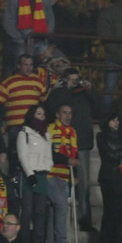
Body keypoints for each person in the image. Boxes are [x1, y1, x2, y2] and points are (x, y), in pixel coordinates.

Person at [46, 66, 96, 231]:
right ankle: (58, 224)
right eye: (72, 80)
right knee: (59, 184)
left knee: (83, 185)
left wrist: (90, 91)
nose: (75, 83)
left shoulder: (84, 94)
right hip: (61, 144)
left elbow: (100, 107)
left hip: (81, 144)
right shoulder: (59, 93)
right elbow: (52, 109)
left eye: (77, 79)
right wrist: (66, 89)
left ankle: (85, 220)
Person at [0, 54, 48, 178]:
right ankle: (15, 184)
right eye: (25, 65)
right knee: (15, 158)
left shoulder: (38, 81)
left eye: (30, 65)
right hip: (16, 127)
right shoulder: (8, 82)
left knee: (33, 160)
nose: (28, 68)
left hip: (34, 128)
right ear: (19, 65)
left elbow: (44, 100)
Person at [2, 0, 54, 77]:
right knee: (22, 65)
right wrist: (18, 38)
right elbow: (8, 20)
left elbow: (50, 18)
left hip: (41, 39)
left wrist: (47, 34)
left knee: (49, 63)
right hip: (21, 41)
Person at [16, 104, 51, 243]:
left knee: (41, 211)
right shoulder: (24, 133)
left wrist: (47, 167)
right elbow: (22, 155)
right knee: (27, 210)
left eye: (43, 114)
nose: (41, 116)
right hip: (28, 175)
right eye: (38, 113)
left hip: (42, 174)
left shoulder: (46, 134)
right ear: (32, 115)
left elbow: (48, 155)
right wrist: (30, 173)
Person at [46, 103, 78, 243]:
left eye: (70, 113)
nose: (68, 116)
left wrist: (75, 176)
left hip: (65, 177)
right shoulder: (50, 129)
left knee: (54, 210)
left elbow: (74, 155)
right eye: (64, 112)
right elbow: (48, 152)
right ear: (57, 115)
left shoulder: (72, 132)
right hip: (50, 175)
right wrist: (66, 160)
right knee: (61, 205)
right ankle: (61, 242)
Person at [96, 113, 122, 243]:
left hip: (121, 176)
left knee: (120, 212)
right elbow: (107, 155)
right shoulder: (101, 136)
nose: (116, 123)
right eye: (113, 120)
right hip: (108, 177)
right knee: (109, 211)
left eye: (117, 120)